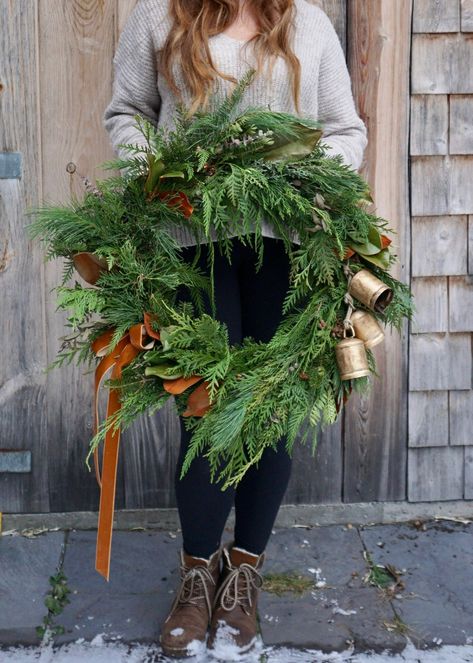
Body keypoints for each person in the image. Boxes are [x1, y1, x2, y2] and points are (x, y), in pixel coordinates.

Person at [103, 0, 367, 657]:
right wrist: (158, 175)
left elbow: (344, 130)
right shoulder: (157, 19)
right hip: (191, 240)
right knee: (203, 408)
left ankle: (242, 572)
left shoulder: (306, 24)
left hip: (288, 245)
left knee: (271, 406)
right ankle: (197, 574)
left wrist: (300, 182)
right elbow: (127, 113)